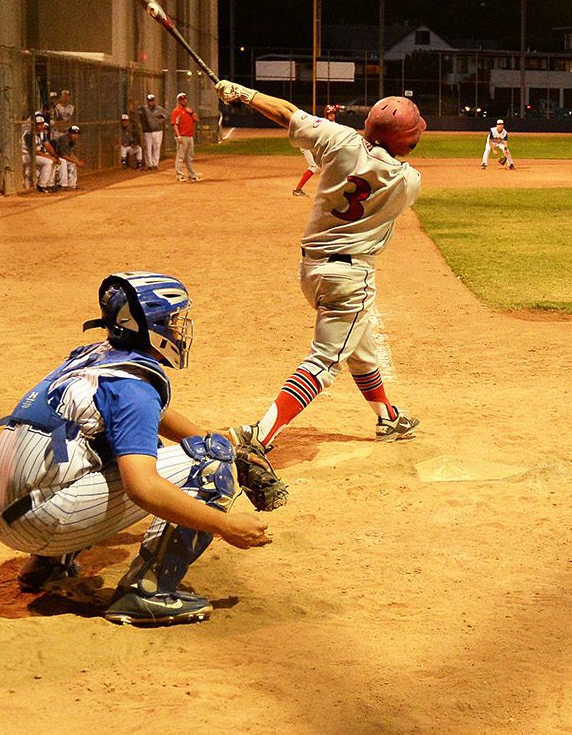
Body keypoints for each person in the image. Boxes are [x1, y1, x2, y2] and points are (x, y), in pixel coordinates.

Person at [0, 273, 274, 626]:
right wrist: (226, 525)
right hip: (41, 520)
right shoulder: (133, 387)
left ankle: (46, 565)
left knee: (131, 444)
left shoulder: (99, 357)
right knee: (210, 463)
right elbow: (142, 487)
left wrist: (226, 443)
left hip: (8, 509)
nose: (177, 329)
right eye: (171, 320)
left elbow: (148, 416)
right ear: (150, 326)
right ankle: (147, 592)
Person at [210, 82, 425, 466]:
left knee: (360, 346)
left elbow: (286, 114)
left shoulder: (340, 141)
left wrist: (244, 94)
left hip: (311, 270)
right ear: (407, 143)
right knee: (325, 361)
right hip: (349, 278)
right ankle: (260, 435)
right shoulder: (408, 182)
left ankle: (388, 418)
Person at [171, 93, 201, 183]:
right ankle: (179, 175)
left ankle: (192, 176)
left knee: (190, 157)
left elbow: (197, 119)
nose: (184, 101)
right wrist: (178, 136)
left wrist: (191, 112)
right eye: (182, 100)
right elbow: (175, 125)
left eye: (185, 99)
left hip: (189, 136)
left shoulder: (189, 110)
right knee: (180, 157)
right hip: (182, 136)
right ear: (179, 101)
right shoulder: (176, 111)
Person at [25, 114, 58, 192]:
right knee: (48, 162)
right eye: (38, 124)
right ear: (34, 125)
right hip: (26, 155)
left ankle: (50, 184)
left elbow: (47, 145)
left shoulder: (42, 133)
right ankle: (41, 185)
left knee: (54, 161)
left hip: (36, 155)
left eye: (42, 123)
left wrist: (54, 155)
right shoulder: (29, 134)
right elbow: (34, 152)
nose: (41, 126)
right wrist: (50, 157)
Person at [136, 93, 167, 170]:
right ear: (147, 101)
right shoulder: (144, 109)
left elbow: (166, 116)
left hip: (157, 131)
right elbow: (137, 114)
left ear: (154, 101)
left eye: (152, 100)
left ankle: (155, 164)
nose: (151, 102)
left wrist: (159, 121)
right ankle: (149, 164)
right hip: (147, 131)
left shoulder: (159, 109)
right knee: (148, 147)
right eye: (149, 100)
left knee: (157, 147)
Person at [54, 124, 82, 191]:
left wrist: (77, 160)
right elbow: (63, 155)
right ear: (68, 133)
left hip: (61, 157)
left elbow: (69, 153)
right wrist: (76, 162)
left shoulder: (72, 141)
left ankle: (72, 185)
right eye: (73, 134)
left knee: (73, 163)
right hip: (55, 157)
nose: (75, 136)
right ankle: (63, 185)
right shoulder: (63, 139)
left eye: (77, 134)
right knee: (63, 161)